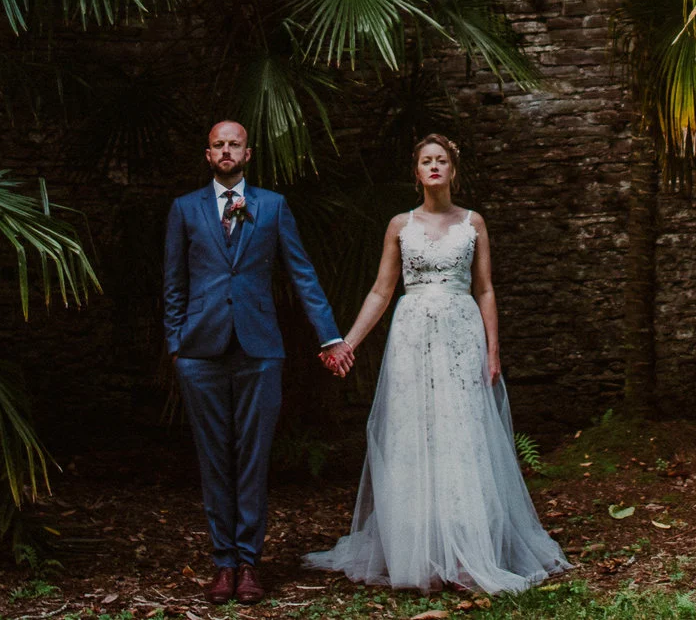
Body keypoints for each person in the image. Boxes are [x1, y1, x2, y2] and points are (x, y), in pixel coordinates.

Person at [303, 133, 570, 594]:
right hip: (411, 336)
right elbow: (382, 291)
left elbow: (484, 288)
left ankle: (469, 550)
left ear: (452, 170)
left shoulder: (473, 222)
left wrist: (493, 350)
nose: (433, 167)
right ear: (416, 171)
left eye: (441, 160)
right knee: (415, 431)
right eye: (425, 161)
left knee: (461, 432)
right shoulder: (399, 225)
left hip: (461, 332)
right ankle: (418, 551)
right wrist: (347, 342)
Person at [164, 120, 354, 606]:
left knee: (251, 458)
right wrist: (176, 345)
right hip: (200, 353)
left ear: (248, 154)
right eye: (218, 145)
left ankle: (249, 564)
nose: (227, 151)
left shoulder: (271, 206)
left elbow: (302, 273)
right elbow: (174, 285)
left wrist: (330, 336)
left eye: (235, 144)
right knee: (214, 459)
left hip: (259, 351)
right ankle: (222, 563)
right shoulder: (184, 209)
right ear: (208, 155)